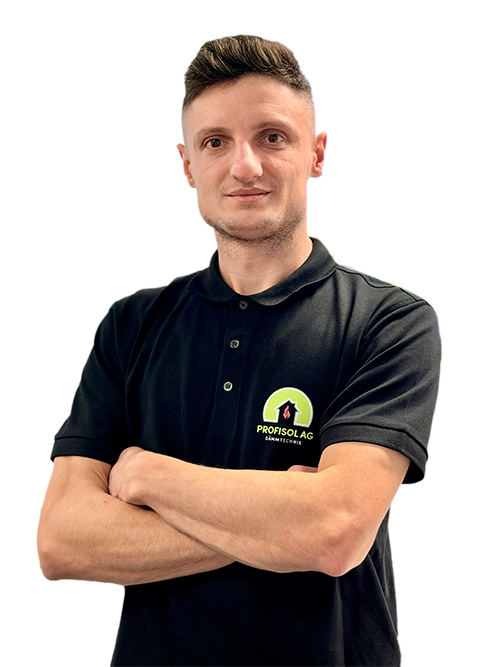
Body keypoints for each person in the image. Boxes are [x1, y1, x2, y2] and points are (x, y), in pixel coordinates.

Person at [37, 34, 441, 667]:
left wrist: (150, 477)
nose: (244, 166)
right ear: (187, 165)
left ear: (316, 153)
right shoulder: (132, 325)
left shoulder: (388, 323)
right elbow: (62, 540)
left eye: (272, 137)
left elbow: (334, 533)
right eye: (215, 142)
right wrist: (282, 521)